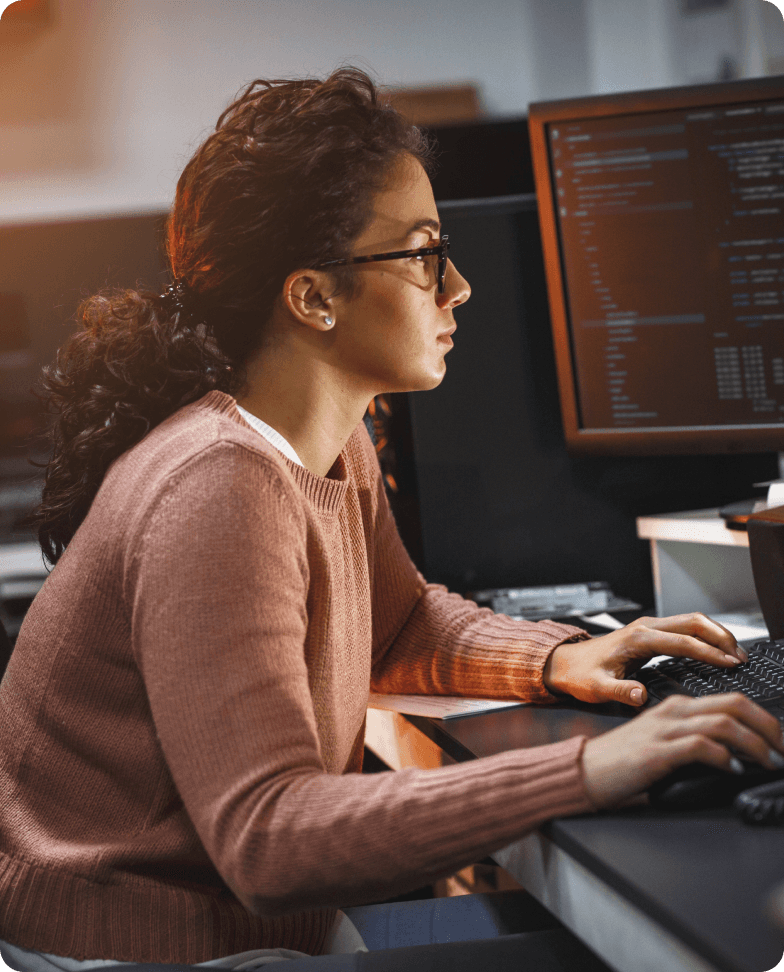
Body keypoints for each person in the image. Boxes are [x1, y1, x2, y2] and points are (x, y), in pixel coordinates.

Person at [0, 68, 782, 972]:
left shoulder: (329, 441)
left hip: (235, 935)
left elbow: (395, 622)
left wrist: (559, 656)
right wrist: (591, 771)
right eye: (422, 254)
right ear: (313, 297)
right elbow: (268, 838)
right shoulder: (218, 485)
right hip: (138, 952)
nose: (458, 287)